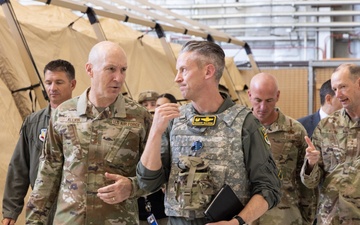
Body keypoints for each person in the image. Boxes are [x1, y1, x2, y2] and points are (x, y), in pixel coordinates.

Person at [136, 40, 281, 225]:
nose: (177, 78)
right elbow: (148, 183)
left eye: (184, 70)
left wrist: (237, 222)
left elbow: (269, 188)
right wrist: (155, 132)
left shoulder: (245, 124)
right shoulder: (173, 120)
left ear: (208, 71)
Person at [25, 41, 152, 224]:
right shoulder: (63, 113)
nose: (119, 77)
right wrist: (34, 221)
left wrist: (132, 187)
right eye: (111, 69)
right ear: (90, 69)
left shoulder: (140, 117)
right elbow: (47, 174)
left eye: (123, 70)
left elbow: (158, 174)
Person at [2, 59, 76, 225]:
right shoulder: (34, 123)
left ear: (72, 84)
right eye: (48, 82)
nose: (52, 88)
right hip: (42, 209)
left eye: (59, 82)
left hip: (76, 208)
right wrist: (11, 210)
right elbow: (19, 166)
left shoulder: (85, 120)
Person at [248, 72, 317, 225]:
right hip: (246, 217)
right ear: (249, 95)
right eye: (258, 100)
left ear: (278, 96)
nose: (262, 107)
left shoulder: (295, 130)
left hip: (284, 217)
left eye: (269, 100)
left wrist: (308, 219)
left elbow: (305, 183)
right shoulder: (239, 128)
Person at [301, 63, 360, 225]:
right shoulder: (326, 126)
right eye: (334, 89)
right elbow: (311, 182)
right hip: (331, 219)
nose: (338, 94)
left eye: (343, 87)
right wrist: (311, 164)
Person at [137, 91, 169, 225]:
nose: (150, 108)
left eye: (154, 104)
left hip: (161, 200)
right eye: (145, 105)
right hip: (138, 200)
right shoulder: (135, 131)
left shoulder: (167, 130)